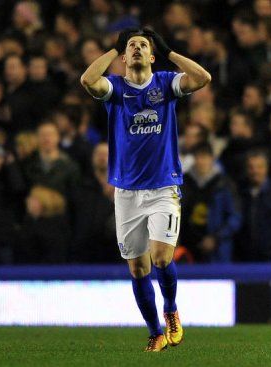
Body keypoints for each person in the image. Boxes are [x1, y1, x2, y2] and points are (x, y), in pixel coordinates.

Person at [81, 28, 211, 351]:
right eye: (131, 46)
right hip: (126, 192)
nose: (137, 48)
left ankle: (170, 309)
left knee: (162, 257)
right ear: (124, 57)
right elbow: (87, 80)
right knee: (139, 267)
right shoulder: (116, 88)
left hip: (163, 186)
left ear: (152, 56)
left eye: (143, 46)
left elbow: (203, 77)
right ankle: (154, 331)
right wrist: (113, 49)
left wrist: (169, 52)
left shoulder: (165, 83)